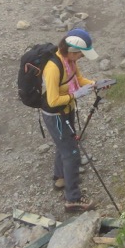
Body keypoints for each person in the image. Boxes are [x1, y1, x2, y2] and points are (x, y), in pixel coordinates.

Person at [40, 28, 100, 212]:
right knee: (72, 153)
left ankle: (60, 178)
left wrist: (94, 85)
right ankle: (73, 199)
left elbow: (78, 79)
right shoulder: (53, 68)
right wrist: (76, 95)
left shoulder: (70, 62)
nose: (82, 57)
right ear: (72, 50)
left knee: (63, 145)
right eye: (81, 53)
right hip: (55, 115)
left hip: (67, 110)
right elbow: (52, 100)